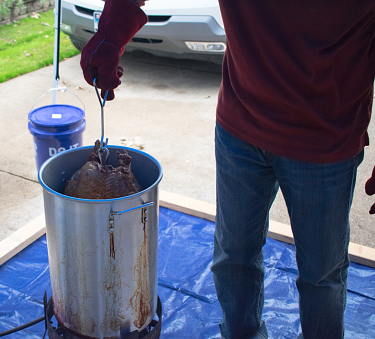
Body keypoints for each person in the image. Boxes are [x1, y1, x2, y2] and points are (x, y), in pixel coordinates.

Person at [80, 0, 375, 338]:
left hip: (325, 140)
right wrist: (112, 29)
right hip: (242, 125)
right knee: (234, 259)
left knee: (322, 274)